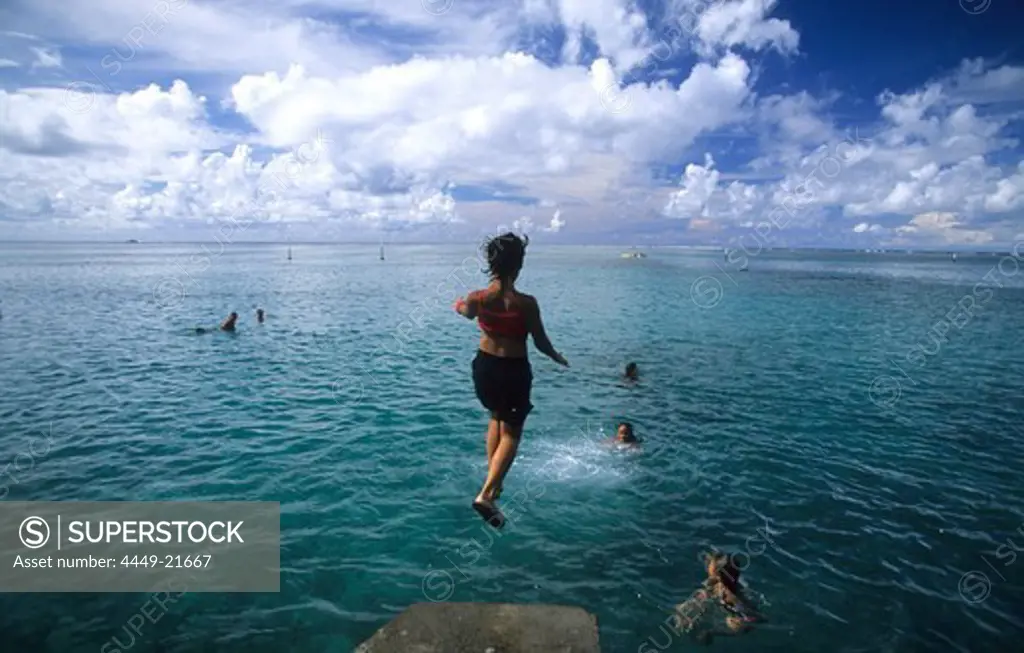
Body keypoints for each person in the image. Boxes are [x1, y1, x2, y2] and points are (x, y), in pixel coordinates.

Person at [454, 232, 568, 528]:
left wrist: (459, 306)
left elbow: (465, 312)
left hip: (485, 367)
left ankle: (494, 482)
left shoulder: (478, 298)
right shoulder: (527, 304)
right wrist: (556, 356)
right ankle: (486, 494)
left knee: (496, 417)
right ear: (519, 265)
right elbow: (540, 342)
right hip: (513, 370)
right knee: (512, 433)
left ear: (491, 263)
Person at [673, 551, 765, 645]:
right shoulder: (721, 582)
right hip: (721, 601)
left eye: (711, 565)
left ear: (718, 575)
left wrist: (741, 622)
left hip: (736, 615)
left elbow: (760, 617)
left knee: (733, 625)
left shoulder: (731, 596)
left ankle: (711, 633)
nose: (708, 565)